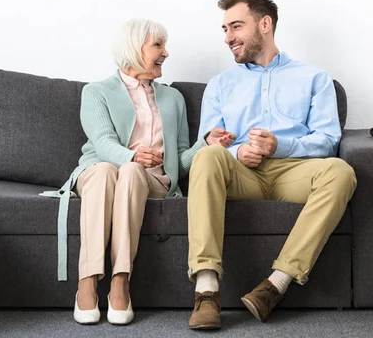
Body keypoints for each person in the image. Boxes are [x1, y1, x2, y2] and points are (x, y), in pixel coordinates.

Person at [42, 19, 234, 326]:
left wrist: (206, 143)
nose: (166, 53)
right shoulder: (96, 92)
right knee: (109, 170)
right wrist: (132, 155)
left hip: (151, 181)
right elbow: (103, 143)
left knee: (132, 172)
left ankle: (120, 280)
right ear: (133, 49)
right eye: (158, 46)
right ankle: (87, 281)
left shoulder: (173, 99)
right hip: (99, 173)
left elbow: (179, 164)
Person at [186, 0, 357, 329]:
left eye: (236, 26)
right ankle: (206, 291)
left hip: (293, 172)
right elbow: (207, 140)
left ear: (265, 24)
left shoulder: (315, 79)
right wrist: (235, 151)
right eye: (224, 29)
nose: (228, 38)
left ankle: (276, 284)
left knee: (341, 171)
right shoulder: (220, 85)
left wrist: (279, 146)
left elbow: (327, 141)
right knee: (206, 159)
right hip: (240, 175)